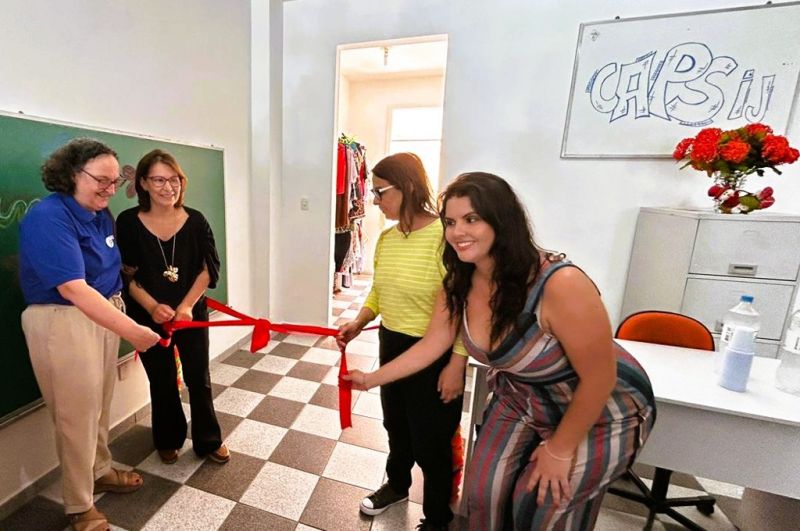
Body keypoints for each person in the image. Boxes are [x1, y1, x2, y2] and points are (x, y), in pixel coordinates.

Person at [345, 172, 656, 530]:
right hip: (521, 397)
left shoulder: (560, 283)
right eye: (451, 222)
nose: (457, 232)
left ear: (502, 220)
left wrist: (559, 449)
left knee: (541, 503)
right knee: (482, 495)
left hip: (601, 407)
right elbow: (432, 344)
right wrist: (370, 379)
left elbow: (600, 378)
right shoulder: (458, 280)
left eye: (471, 219)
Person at [19, 138, 161, 531]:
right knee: (75, 417)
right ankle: (79, 506)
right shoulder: (49, 217)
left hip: (103, 314)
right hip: (63, 320)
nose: (110, 189)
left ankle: (100, 470)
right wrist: (134, 331)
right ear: (71, 173)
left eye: (116, 181)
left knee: (98, 406)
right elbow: (73, 288)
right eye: (102, 180)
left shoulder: (99, 213)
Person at [337, 153, 467, 531]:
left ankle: (438, 518)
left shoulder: (445, 239)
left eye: (380, 192)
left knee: (432, 440)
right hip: (392, 342)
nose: (374, 200)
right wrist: (359, 321)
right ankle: (396, 485)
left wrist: (456, 364)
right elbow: (379, 291)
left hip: (436, 352)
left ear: (407, 187)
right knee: (396, 424)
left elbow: (463, 311)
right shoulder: (387, 239)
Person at [116, 149, 229, 466]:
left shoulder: (196, 221)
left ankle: (208, 440)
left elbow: (208, 269)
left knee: (199, 378)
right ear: (143, 183)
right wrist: (153, 307)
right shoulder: (128, 223)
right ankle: (168, 438)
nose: (169, 187)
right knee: (162, 380)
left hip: (191, 315)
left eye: (174, 179)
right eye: (159, 180)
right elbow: (125, 274)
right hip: (147, 317)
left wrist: (187, 306)